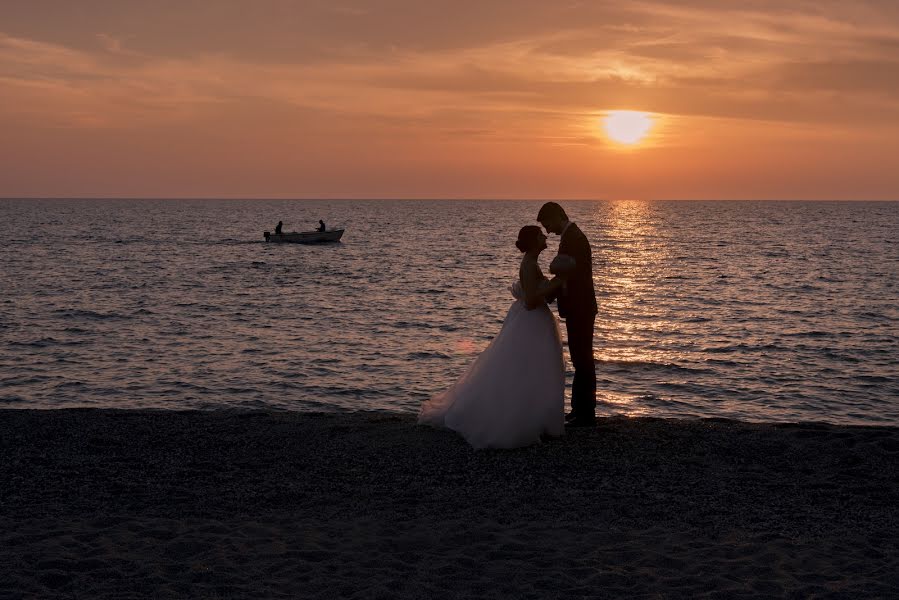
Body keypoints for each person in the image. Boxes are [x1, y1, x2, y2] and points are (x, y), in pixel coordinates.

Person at [418, 226, 567, 449]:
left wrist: (552, 286)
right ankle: (518, 420)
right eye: (540, 235)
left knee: (535, 368)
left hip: (534, 321)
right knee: (528, 368)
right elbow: (531, 300)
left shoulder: (532, 263)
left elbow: (536, 293)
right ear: (534, 241)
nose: (545, 237)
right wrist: (557, 281)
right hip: (531, 321)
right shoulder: (528, 264)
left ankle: (536, 417)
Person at [537, 202, 598, 427]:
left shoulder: (575, 238)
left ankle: (586, 413)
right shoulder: (570, 236)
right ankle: (579, 410)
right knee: (580, 358)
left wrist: (546, 293)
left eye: (548, 224)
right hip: (577, 307)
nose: (547, 230)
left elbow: (570, 275)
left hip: (580, 307)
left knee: (583, 358)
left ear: (557, 216)